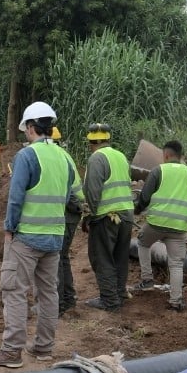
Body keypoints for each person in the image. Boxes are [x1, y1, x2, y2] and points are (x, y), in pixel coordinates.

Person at [0, 101, 76, 369]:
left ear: (31, 127)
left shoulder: (27, 157)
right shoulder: (66, 158)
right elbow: (69, 197)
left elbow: (16, 198)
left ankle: (11, 352)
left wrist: (9, 229)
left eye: (26, 129)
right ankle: (44, 347)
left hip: (27, 237)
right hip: (54, 237)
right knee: (48, 293)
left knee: (14, 291)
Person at [134, 140, 187, 311]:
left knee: (142, 242)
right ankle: (176, 301)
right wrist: (186, 212)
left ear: (165, 155)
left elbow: (144, 197)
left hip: (157, 223)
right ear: (181, 156)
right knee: (176, 263)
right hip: (180, 226)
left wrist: (137, 210)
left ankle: (147, 280)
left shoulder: (158, 171)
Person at [81, 123, 135, 313]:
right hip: (126, 214)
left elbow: (92, 191)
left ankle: (110, 301)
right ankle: (119, 293)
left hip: (107, 216)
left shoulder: (97, 158)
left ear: (91, 142)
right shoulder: (120, 156)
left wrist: (89, 216)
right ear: (108, 139)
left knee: (101, 257)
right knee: (120, 257)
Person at [51, 127, 87, 315]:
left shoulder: (58, 157)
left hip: (69, 211)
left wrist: (75, 207)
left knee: (56, 257)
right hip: (72, 210)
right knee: (62, 256)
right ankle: (68, 298)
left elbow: (69, 192)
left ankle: (58, 304)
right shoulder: (63, 154)